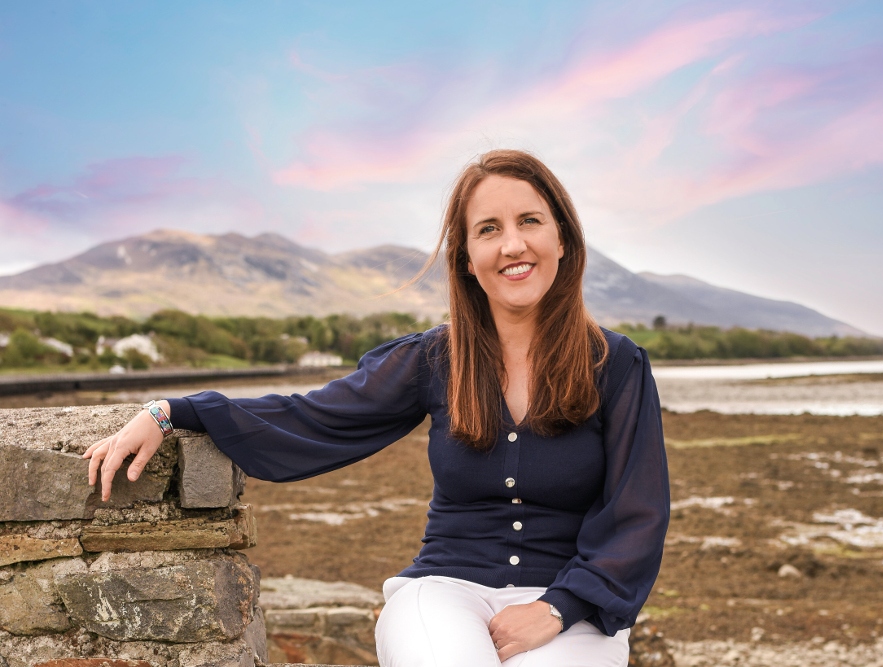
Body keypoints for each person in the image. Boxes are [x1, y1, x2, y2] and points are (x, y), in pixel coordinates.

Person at [84, 149, 670, 667]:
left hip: (568, 603)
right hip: (443, 592)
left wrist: (560, 606)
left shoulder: (615, 365)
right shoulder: (431, 360)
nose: (512, 244)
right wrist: (171, 412)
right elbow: (312, 417)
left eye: (530, 221)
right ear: (467, 257)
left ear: (562, 238)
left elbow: (637, 513)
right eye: (488, 229)